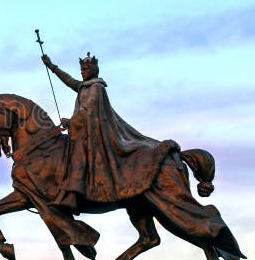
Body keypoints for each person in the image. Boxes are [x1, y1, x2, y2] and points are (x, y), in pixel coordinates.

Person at [41, 52, 178, 206]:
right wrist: (51, 66)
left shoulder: (96, 88)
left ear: (94, 69)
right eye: (81, 69)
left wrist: (70, 122)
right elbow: (69, 81)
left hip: (96, 135)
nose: (83, 71)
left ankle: (73, 194)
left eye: (85, 69)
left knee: (78, 153)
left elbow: (87, 112)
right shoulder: (84, 86)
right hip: (83, 131)